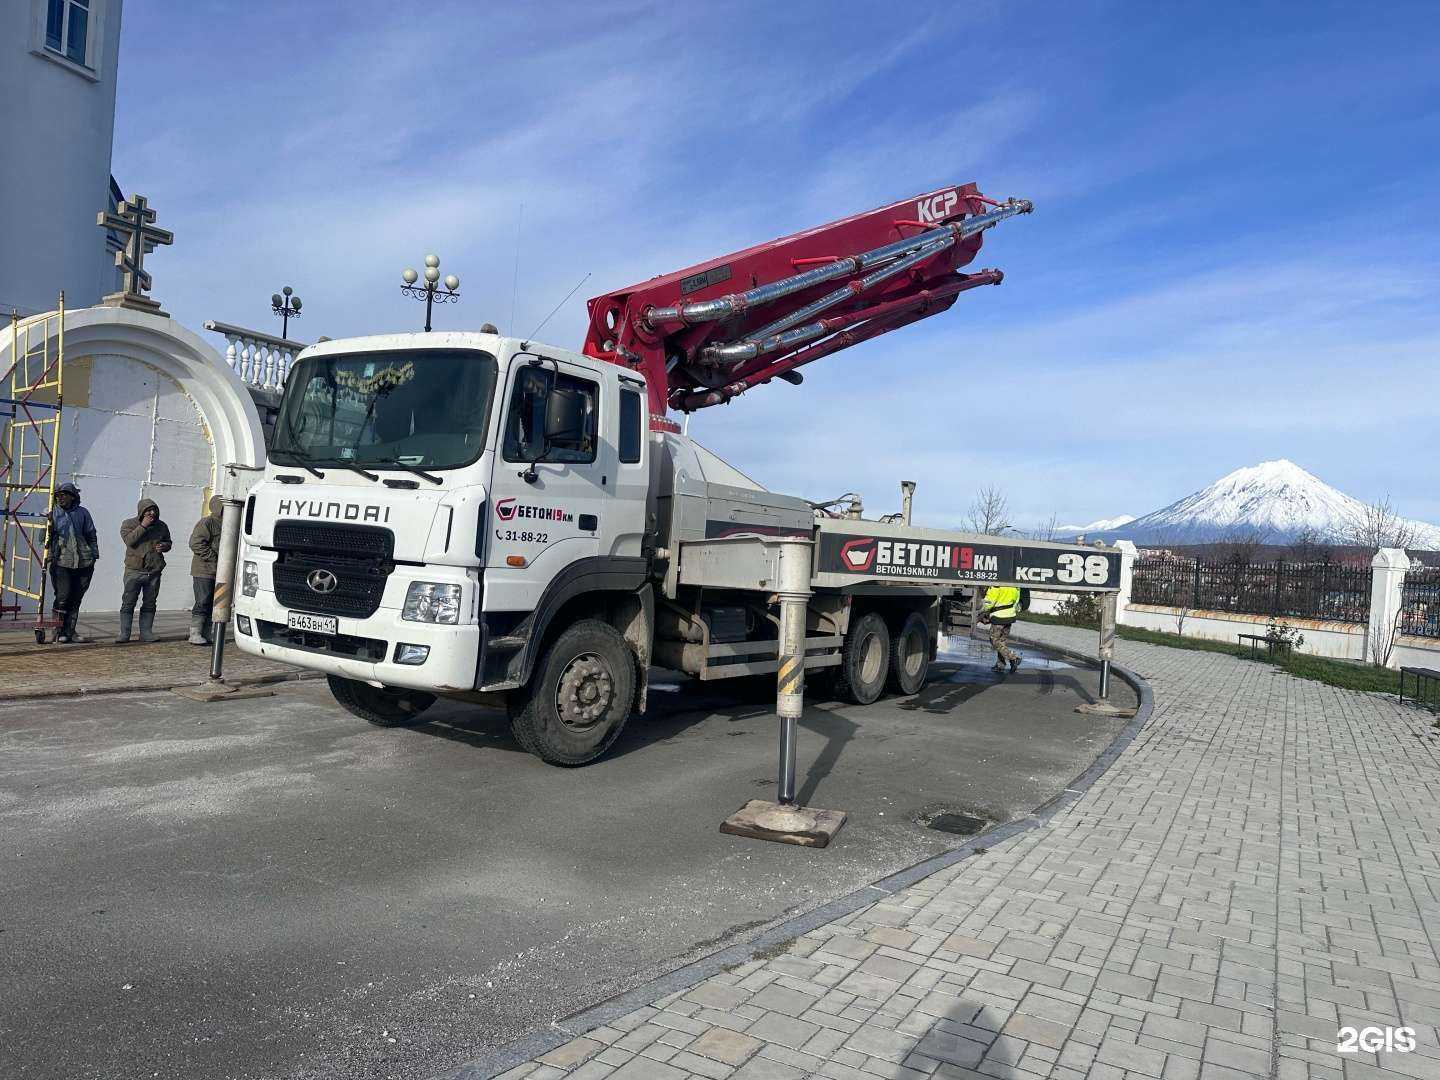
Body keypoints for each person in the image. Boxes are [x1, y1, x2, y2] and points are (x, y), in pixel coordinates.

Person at [44, 482, 99, 644]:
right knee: (63, 596)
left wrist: (94, 554)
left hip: (84, 562)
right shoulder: (52, 512)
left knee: (76, 598)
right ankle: (57, 630)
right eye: (58, 495)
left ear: (73, 496)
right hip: (61, 562)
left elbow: (91, 534)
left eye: (64, 494)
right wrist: (47, 523)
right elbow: (43, 538)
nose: (60, 498)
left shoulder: (83, 513)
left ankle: (70, 631)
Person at [117, 497, 172, 643]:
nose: (152, 513)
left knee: (150, 602)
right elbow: (129, 541)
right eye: (148, 510)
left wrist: (165, 546)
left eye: (154, 510)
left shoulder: (162, 526)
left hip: (154, 571)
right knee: (128, 602)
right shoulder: (128, 524)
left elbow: (168, 542)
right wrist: (143, 526)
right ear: (141, 511)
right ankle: (124, 633)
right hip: (134, 571)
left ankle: (146, 633)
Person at [187, 496, 224, 645]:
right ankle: (195, 632)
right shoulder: (207, 523)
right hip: (203, 570)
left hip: (221, 572)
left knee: (215, 603)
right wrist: (213, 557)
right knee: (202, 601)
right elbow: (195, 543)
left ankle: (207, 632)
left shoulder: (229, 524)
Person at [978, 583, 1022, 674]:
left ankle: (1013, 658)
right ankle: (1000, 665)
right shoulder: (1015, 586)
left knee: (994, 641)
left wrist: (981, 610)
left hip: (999, 617)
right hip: (1010, 616)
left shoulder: (996, 586)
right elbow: (1016, 602)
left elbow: (989, 603)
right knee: (1002, 642)